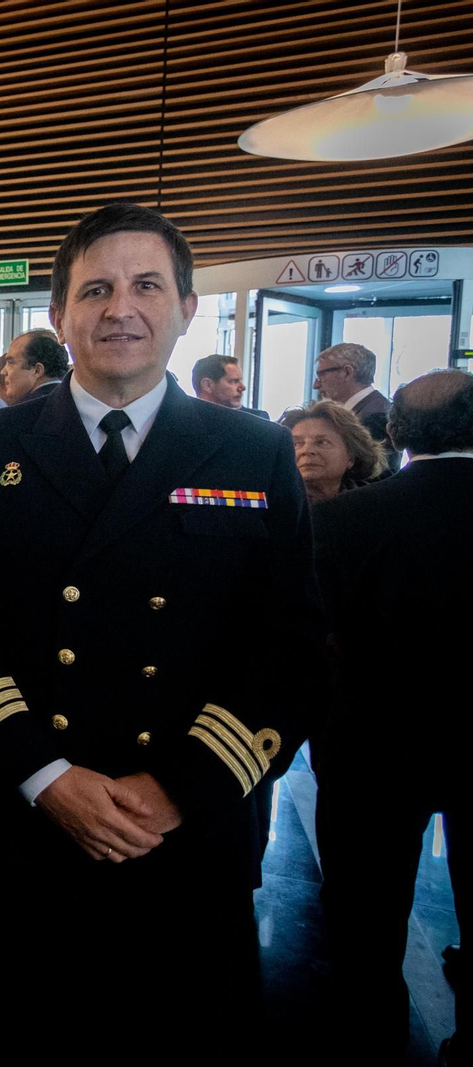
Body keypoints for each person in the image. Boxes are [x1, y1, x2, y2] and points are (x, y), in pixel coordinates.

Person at [0, 203, 326, 1065]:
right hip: (28, 822)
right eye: (95, 289)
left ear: (186, 307)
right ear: (62, 315)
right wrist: (48, 775)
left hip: (187, 828)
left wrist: (184, 786)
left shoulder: (252, 452)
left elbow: (288, 644)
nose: (120, 308)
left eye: (147, 285)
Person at [312, 370, 473, 1067]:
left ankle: (371, 1039)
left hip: (370, 746)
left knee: (365, 913)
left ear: (394, 432)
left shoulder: (345, 519)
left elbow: (311, 638)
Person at [279, 400, 385, 502]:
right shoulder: (268, 503)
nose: (306, 450)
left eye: (322, 442)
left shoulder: (373, 505)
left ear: (351, 457)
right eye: (296, 444)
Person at [314, 341, 397, 469]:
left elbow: (372, 474)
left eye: (322, 375)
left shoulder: (375, 416)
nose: (316, 385)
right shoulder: (374, 408)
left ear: (347, 372)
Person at [0, 327, 67, 405]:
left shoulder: (22, 412)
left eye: (11, 363)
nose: (3, 372)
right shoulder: (71, 400)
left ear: (37, 370)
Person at [192, 353, 267, 418]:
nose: (243, 388)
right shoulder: (184, 420)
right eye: (233, 381)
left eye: (240, 380)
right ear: (207, 385)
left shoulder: (257, 420)